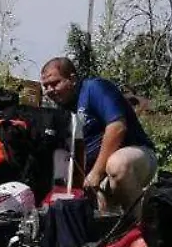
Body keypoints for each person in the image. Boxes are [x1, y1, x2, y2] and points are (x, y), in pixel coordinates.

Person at [40, 57, 158, 216]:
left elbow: (117, 128)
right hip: (97, 178)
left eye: (55, 83)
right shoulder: (61, 112)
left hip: (137, 158)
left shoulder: (94, 88)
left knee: (117, 165)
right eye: (45, 86)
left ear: (72, 79)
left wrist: (96, 173)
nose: (49, 90)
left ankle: (143, 228)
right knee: (100, 218)